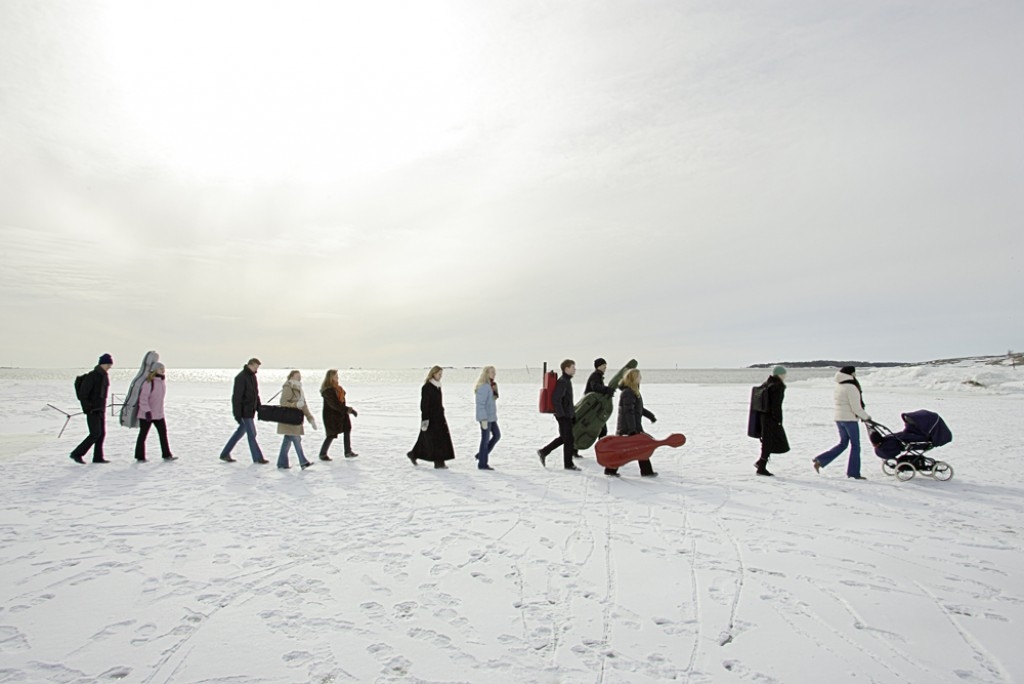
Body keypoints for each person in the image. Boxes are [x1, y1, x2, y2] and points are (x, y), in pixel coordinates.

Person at [813, 366, 871, 479]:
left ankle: (821, 460)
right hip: (850, 420)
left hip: (839, 418)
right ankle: (853, 473)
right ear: (851, 374)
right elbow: (856, 407)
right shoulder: (851, 387)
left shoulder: (839, 386)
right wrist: (866, 417)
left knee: (843, 443)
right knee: (855, 446)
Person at [605, 368, 659, 477]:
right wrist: (632, 430)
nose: (640, 378)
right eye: (639, 376)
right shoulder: (628, 393)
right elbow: (628, 412)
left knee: (638, 448)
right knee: (633, 448)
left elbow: (638, 409)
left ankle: (645, 471)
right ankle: (611, 470)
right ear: (633, 378)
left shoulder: (633, 391)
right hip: (628, 427)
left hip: (633, 426)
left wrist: (650, 416)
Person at [219, 358, 268, 463]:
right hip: (244, 412)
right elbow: (236, 398)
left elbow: (255, 394)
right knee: (252, 434)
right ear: (250, 365)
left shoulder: (253, 377)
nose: (256, 369)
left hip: (251, 411)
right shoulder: (240, 378)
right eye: (255, 367)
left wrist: (259, 407)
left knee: (239, 433)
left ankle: (224, 454)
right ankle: (258, 458)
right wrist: (237, 414)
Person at [407, 366, 455, 469]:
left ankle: (413, 454)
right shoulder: (427, 387)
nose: (440, 376)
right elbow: (424, 405)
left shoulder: (438, 386)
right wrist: (425, 420)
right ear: (433, 374)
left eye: (441, 374)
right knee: (435, 440)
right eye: (439, 374)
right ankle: (439, 462)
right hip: (431, 418)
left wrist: (442, 410)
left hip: (439, 417)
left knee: (427, 439)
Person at [537, 359, 581, 471]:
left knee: (564, 438)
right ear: (566, 369)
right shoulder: (563, 382)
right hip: (563, 416)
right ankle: (568, 464)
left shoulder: (567, 381)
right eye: (573, 367)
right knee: (569, 439)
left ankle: (544, 452)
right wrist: (562, 415)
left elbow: (567, 401)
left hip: (567, 415)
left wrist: (572, 414)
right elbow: (556, 399)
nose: (574, 369)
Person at [70, 353, 113, 464]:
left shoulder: (104, 376)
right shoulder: (92, 376)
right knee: (95, 433)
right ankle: (77, 453)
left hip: (100, 409)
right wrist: (88, 408)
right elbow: (83, 394)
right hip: (92, 410)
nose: (109, 366)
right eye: (108, 364)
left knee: (101, 433)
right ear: (102, 364)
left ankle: (98, 457)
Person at [752, 365, 790, 476]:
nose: (785, 376)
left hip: (763, 417)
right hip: (771, 418)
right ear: (779, 375)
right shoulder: (777, 386)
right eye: (784, 374)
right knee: (769, 442)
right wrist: (778, 420)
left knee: (767, 441)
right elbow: (776, 406)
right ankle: (761, 466)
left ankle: (761, 463)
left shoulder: (766, 384)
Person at [135, 362, 175, 462]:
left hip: (158, 414)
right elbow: (143, 399)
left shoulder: (161, 381)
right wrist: (147, 411)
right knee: (143, 435)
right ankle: (140, 456)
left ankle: (166, 454)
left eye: (163, 368)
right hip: (146, 415)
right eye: (161, 368)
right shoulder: (149, 382)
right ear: (155, 370)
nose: (163, 370)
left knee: (163, 434)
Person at [277, 370, 316, 470]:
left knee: (287, 440)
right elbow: (283, 402)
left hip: (295, 420)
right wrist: (295, 405)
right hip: (289, 419)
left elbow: (304, 405)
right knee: (296, 439)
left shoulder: (299, 388)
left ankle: (282, 463)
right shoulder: (288, 387)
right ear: (291, 376)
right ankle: (303, 462)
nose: (299, 377)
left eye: (300, 376)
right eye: (297, 376)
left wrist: (310, 418)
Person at [319, 369, 358, 460]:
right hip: (331, 416)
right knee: (331, 435)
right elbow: (335, 405)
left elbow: (340, 403)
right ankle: (322, 454)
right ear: (331, 377)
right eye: (336, 376)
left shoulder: (338, 388)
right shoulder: (328, 391)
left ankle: (348, 451)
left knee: (347, 429)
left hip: (341, 415)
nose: (338, 377)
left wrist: (347, 410)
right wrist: (349, 410)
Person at [474, 366, 500, 470]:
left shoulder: (491, 385)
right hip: (485, 418)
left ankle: (481, 455)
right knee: (485, 440)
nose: (494, 374)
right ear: (486, 373)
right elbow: (480, 404)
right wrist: (483, 419)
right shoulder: (484, 387)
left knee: (497, 435)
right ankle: (482, 464)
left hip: (491, 417)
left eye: (494, 372)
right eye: (491, 372)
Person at [585, 357, 616, 441]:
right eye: (604, 365)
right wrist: (607, 390)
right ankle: (602, 449)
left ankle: (602, 448)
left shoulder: (598, 375)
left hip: (594, 406)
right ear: (598, 366)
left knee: (601, 428)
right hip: (591, 407)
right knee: (601, 429)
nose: (605, 367)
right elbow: (595, 387)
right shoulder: (595, 376)